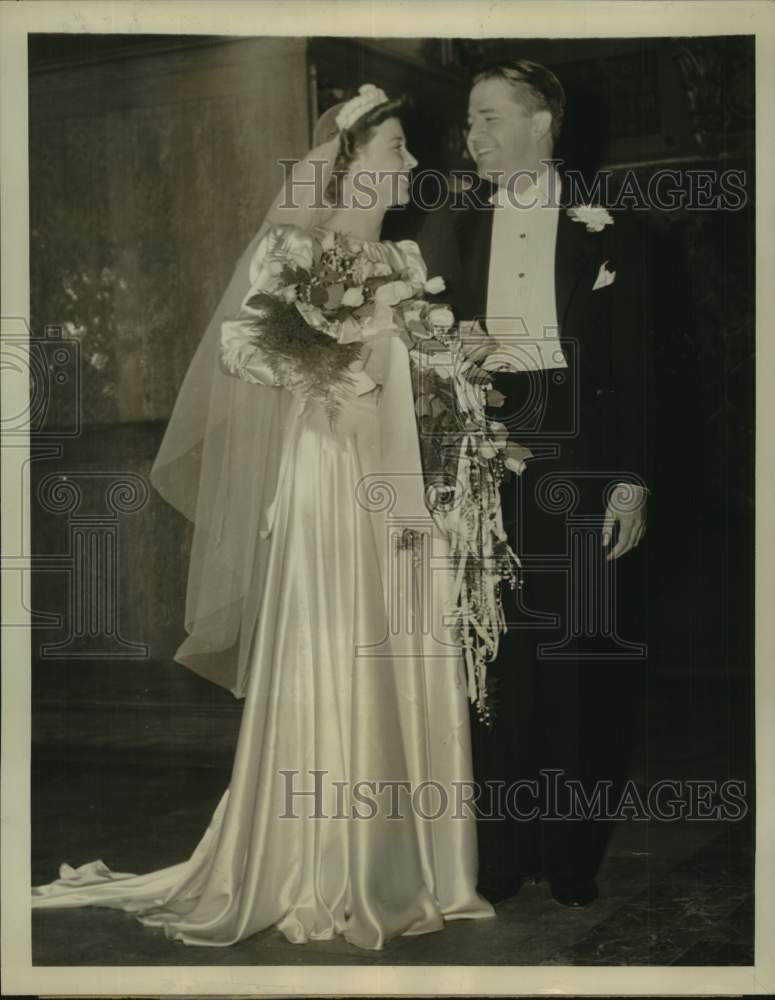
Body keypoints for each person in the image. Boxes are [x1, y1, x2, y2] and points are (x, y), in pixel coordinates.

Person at [32, 85, 494, 950]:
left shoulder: (404, 259)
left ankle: (415, 861)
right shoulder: (293, 249)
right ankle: (323, 860)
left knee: (403, 638)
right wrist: (324, 366)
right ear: (348, 161)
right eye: (394, 147)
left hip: (397, 472)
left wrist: (445, 373)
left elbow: (425, 372)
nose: (409, 163)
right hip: (329, 468)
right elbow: (244, 352)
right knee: (337, 638)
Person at [417, 60, 654, 907]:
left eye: (488, 118)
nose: (472, 137)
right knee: (496, 661)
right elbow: (419, 342)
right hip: (487, 455)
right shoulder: (453, 223)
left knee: (582, 656)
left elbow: (647, 365)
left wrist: (631, 481)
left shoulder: (611, 222)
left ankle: (572, 857)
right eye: (470, 122)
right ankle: (503, 854)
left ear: (541, 123)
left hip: (585, 454)